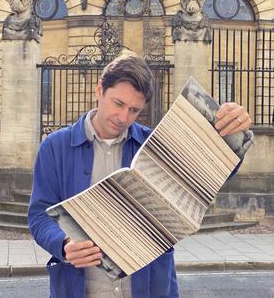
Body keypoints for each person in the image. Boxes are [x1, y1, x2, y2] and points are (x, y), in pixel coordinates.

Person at [28, 52, 252, 298]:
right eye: (118, 104)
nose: (124, 118)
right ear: (99, 90)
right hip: (80, 289)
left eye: (134, 110)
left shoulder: (153, 144)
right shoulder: (55, 147)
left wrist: (230, 132)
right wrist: (63, 244)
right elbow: (39, 215)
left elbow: (210, 171)